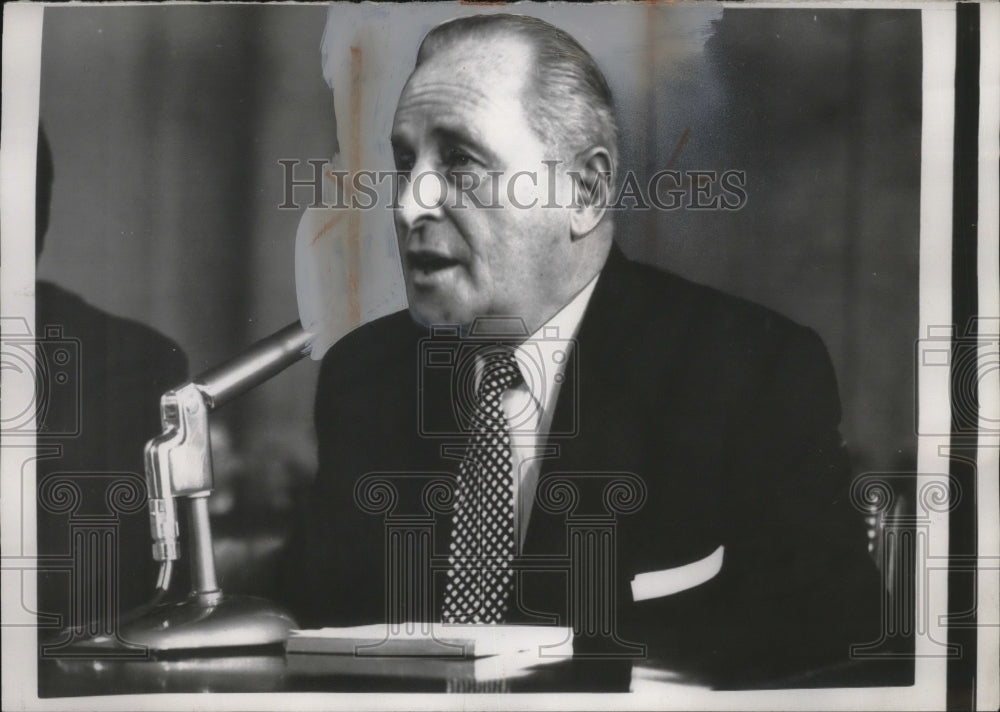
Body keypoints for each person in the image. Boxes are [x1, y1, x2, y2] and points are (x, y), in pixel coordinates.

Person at [277, 14, 882, 686]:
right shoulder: (366, 375)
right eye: (404, 161)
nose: (411, 201)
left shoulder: (745, 370)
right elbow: (317, 625)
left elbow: (835, 648)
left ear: (586, 192)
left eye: (459, 160)